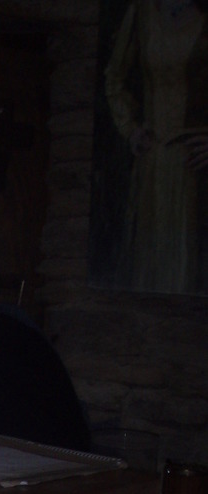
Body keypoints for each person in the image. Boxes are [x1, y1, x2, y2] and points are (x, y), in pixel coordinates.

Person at [104, 0, 208, 293]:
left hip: (196, 167)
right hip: (153, 166)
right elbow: (115, 77)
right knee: (148, 272)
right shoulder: (142, 12)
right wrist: (131, 129)